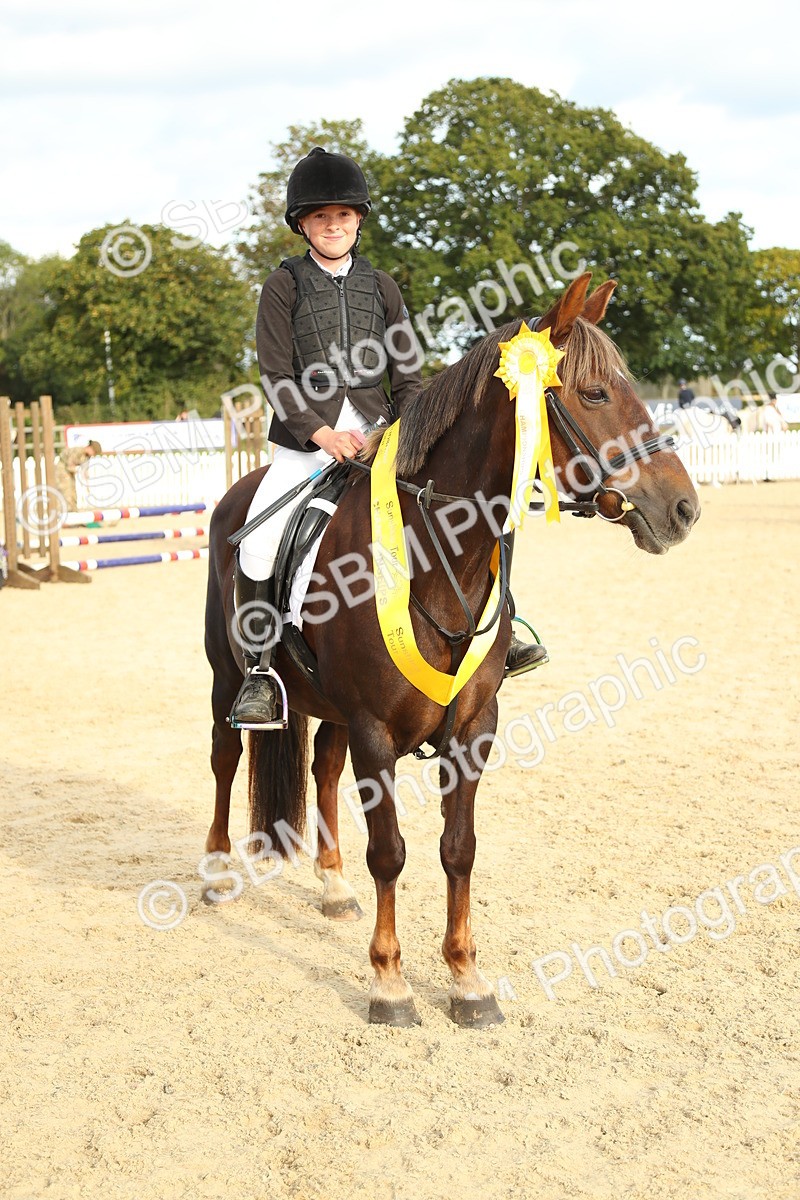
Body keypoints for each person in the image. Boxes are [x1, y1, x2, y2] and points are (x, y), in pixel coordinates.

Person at [230, 147, 547, 729]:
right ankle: (260, 671)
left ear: (358, 221)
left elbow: (407, 376)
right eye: (322, 217)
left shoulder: (383, 287)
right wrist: (322, 434)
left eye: (344, 216)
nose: (333, 226)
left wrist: (407, 436)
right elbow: (274, 375)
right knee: (260, 539)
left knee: (473, 512)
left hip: (383, 439)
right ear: (303, 223)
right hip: (307, 447)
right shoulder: (282, 286)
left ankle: (507, 627)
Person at [54, 440, 102, 512]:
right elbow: (69, 465)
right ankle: (62, 511)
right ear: (90, 448)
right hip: (62, 469)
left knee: (73, 492)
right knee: (66, 490)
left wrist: (87, 486)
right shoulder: (78, 451)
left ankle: (73, 511)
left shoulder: (86, 457)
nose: (93, 455)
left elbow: (85, 471)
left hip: (70, 472)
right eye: (94, 452)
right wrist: (78, 471)